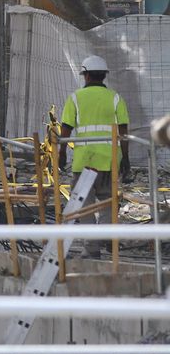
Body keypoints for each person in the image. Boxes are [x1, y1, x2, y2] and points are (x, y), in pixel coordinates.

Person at [60, 54, 130, 257]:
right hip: (110, 161)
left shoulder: (75, 98)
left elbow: (66, 127)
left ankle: (92, 248)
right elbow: (124, 130)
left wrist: (61, 153)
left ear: (86, 76)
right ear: (103, 76)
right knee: (109, 202)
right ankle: (105, 238)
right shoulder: (116, 98)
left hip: (84, 163)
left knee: (85, 204)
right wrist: (125, 158)